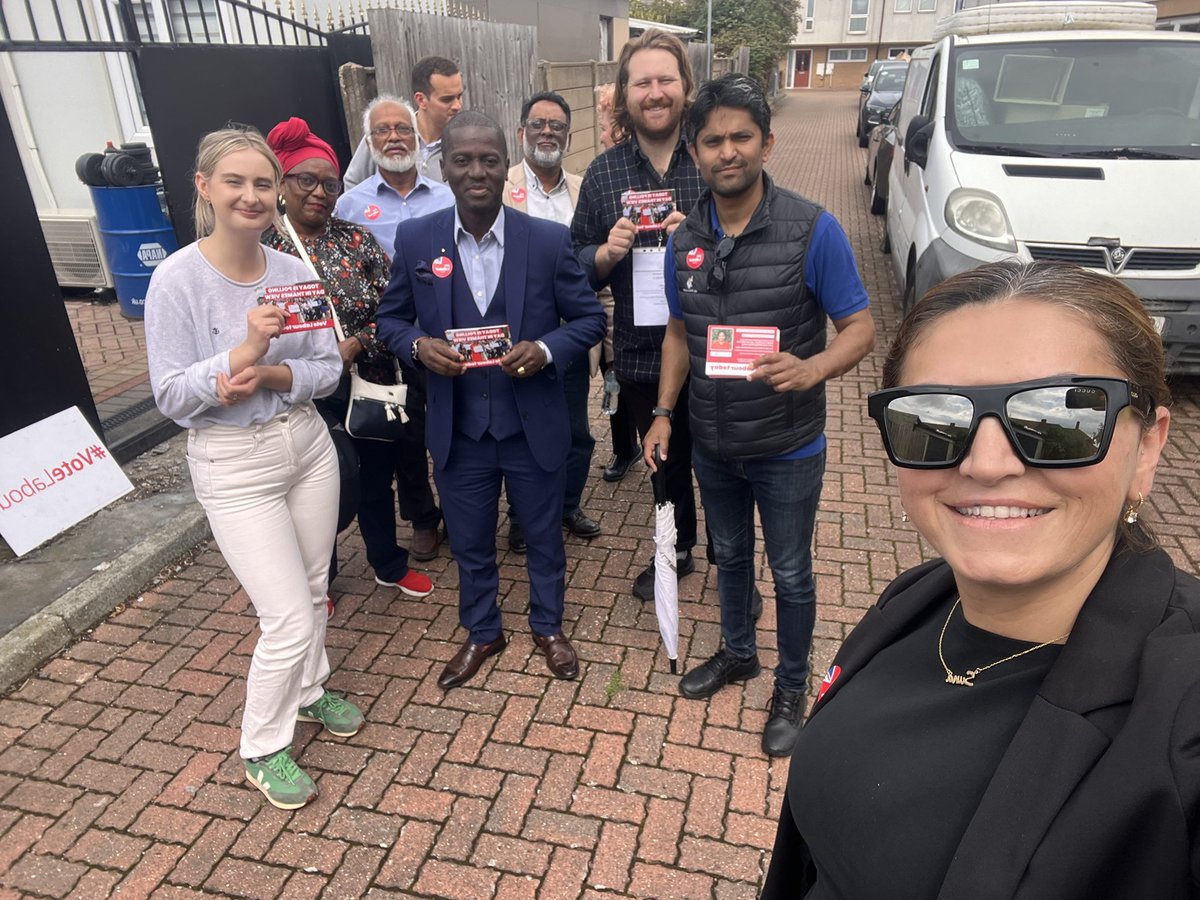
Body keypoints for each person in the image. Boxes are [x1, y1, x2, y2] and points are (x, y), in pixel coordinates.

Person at [763, 260, 1198, 898]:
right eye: (936, 419)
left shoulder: (1182, 715)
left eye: (1060, 420)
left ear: (1148, 447)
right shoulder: (916, 601)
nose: (987, 464)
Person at [644, 74, 876, 757]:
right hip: (714, 445)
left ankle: (792, 685)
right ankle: (739, 653)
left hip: (787, 446)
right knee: (730, 557)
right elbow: (679, 334)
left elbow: (860, 329)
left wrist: (812, 368)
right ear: (694, 152)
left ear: (767, 144)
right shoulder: (684, 238)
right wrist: (663, 413)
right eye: (713, 140)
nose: (728, 151)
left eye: (741, 137)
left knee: (792, 571)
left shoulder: (813, 229)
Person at [145, 127, 363, 810]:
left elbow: (327, 371)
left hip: (306, 444)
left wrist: (268, 373)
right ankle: (262, 746)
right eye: (234, 182)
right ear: (204, 187)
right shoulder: (176, 279)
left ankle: (311, 690)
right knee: (287, 616)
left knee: (315, 586)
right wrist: (237, 359)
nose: (251, 195)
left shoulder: (295, 273)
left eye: (263, 183)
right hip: (234, 462)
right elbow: (170, 395)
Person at [377, 111, 606, 690]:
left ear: (507, 166)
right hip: (459, 429)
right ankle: (483, 631)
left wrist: (547, 350)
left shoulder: (547, 240)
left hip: (531, 426)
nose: (476, 171)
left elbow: (588, 320)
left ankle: (548, 627)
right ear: (444, 168)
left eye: (489, 159)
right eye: (462, 160)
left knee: (544, 537)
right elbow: (390, 319)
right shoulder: (416, 238)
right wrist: (419, 346)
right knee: (471, 542)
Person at [261, 116, 435, 600]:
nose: (319, 192)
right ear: (283, 184)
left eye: (330, 184)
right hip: (299, 391)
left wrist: (355, 343)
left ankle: (388, 563)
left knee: (377, 476)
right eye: (306, 180)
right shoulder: (265, 249)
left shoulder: (356, 240)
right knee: (315, 487)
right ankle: (320, 581)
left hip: (366, 381)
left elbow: (395, 311)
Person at [572, 29, 706, 600]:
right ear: (625, 94)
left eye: (665, 80)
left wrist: (698, 238)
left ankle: (732, 558)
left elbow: (752, 247)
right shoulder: (603, 174)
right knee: (663, 461)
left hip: (711, 345)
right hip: (639, 347)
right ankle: (676, 549)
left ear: (685, 86)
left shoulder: (710, 158)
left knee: (722, 461)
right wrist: (605, 254)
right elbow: (575, 263)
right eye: (642, 82)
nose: (655, 92)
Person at [335, 95, 454, 561]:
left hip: (444, 335)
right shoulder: (350, 205)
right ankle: (423, 519)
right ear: (369, 142)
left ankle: (459, 510)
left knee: (453, 429)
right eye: (382, 130)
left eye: (402, 128)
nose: (393, 137)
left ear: (417, 137)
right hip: (385, 342)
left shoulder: (447, 197)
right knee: (406, 436)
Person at [501, 90, 601, 551]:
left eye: (556, 125)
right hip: (516, 337)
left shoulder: (585, 190)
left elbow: (598, 269)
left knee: (575, 431)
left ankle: (568, 505)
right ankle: (522, 517)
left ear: (568, 136)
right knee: (520, 433)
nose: (547, 132)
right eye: (538, 124)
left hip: (571, 335)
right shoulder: (501, 186)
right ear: (522, 131)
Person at [343, 56, 465, 189]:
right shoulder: (385, 136)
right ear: (421, 100)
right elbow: (353, 183)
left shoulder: (464, 142)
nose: (457, 106)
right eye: (447, 99)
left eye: (459, 96)